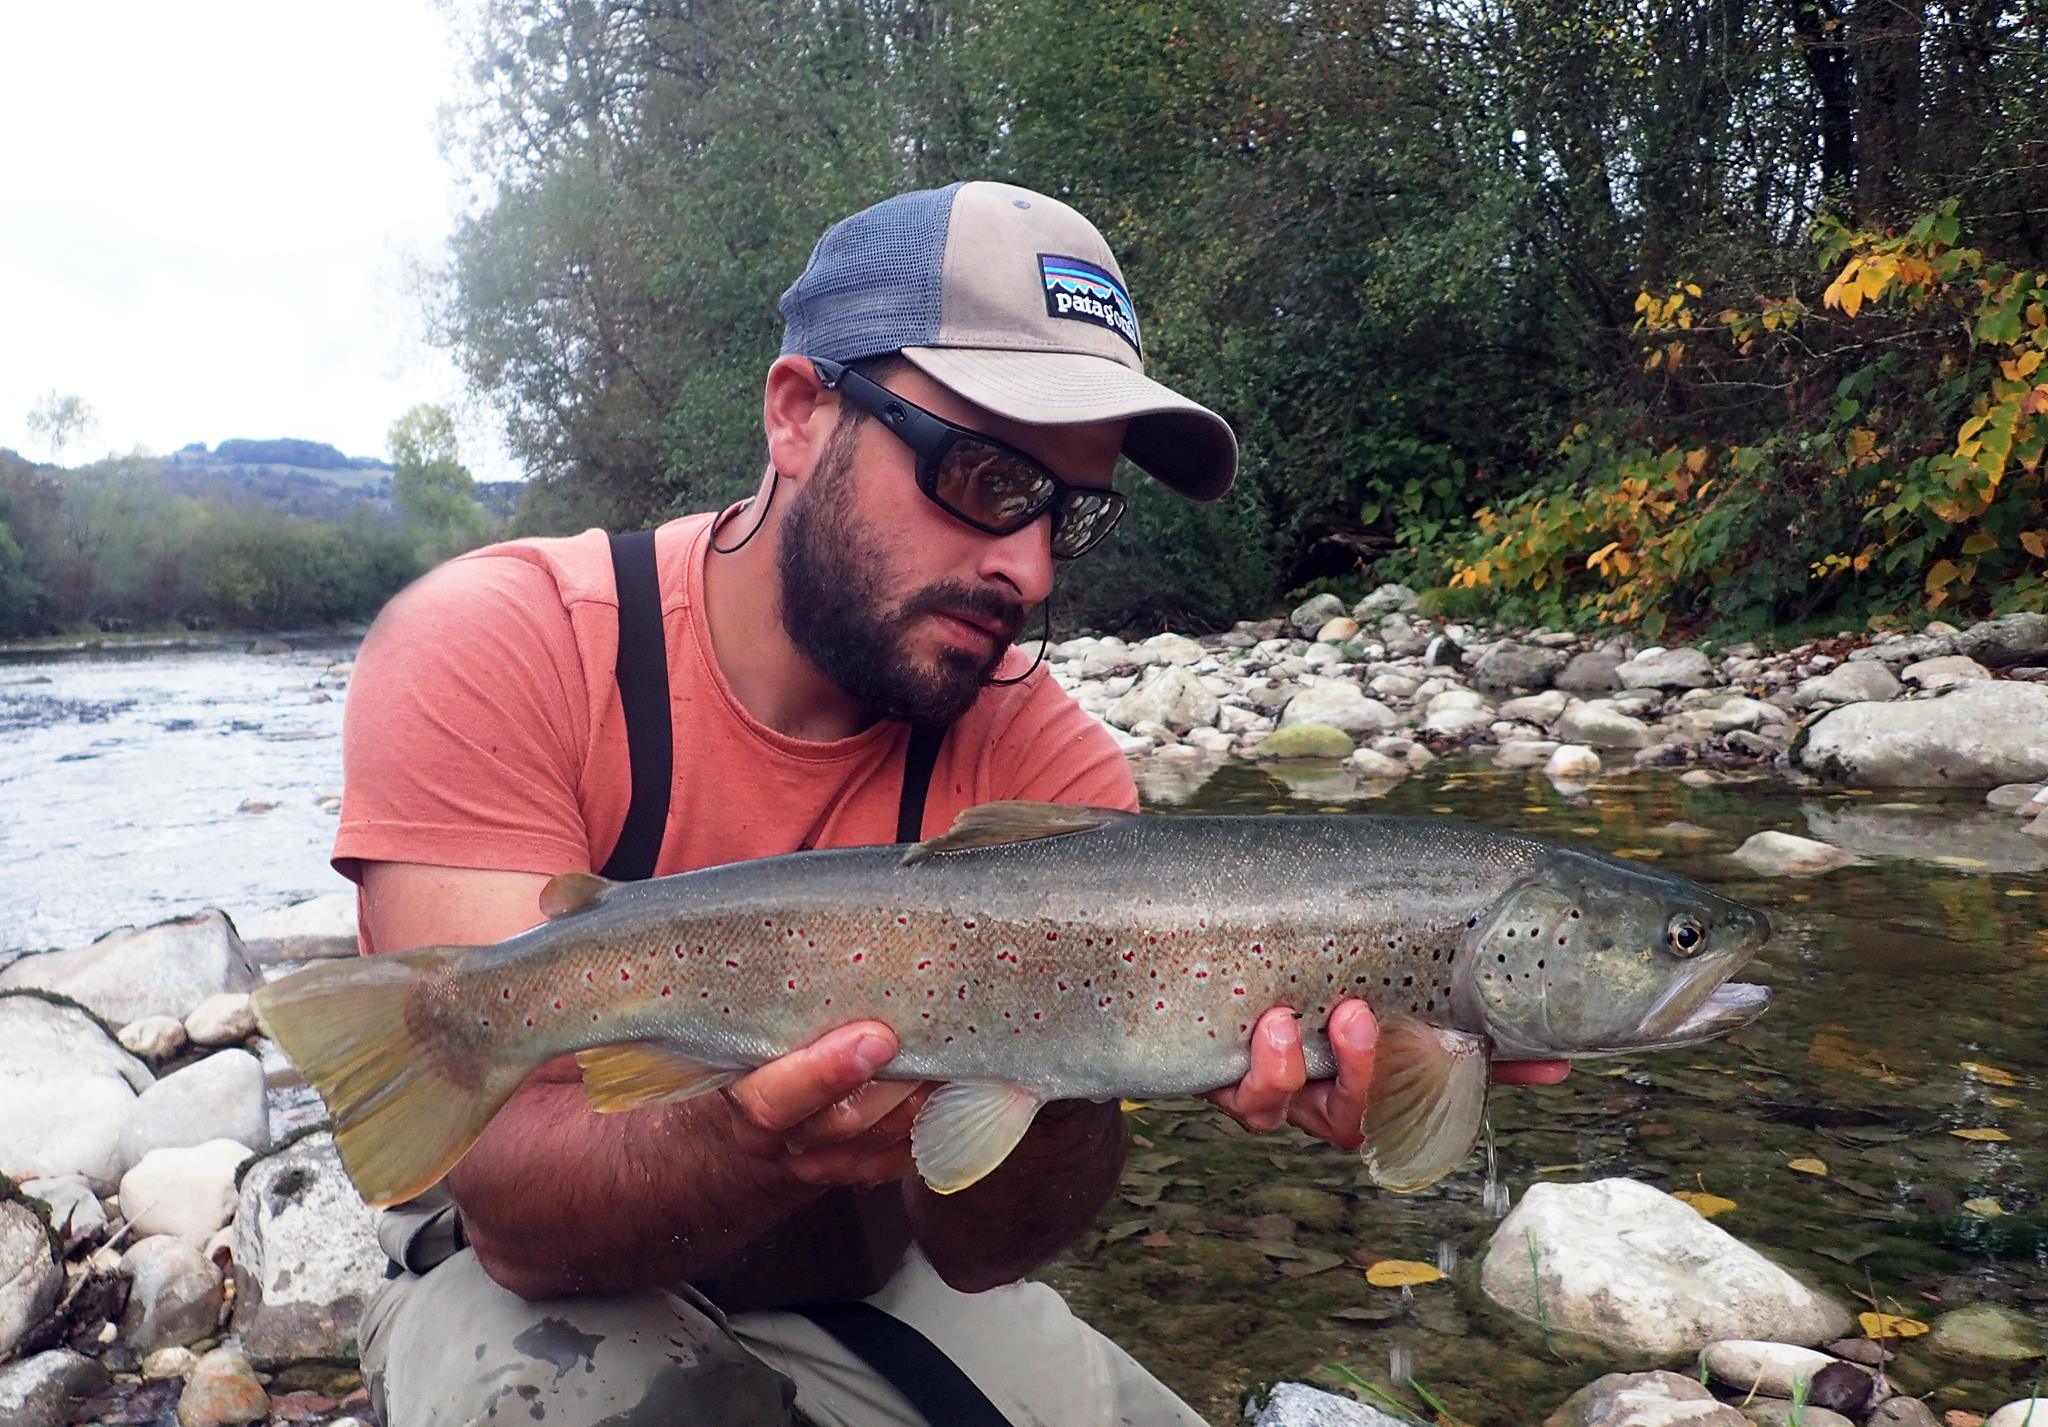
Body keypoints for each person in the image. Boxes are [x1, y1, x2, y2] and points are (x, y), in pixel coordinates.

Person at [334, 180, 1567, 1427]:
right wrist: (756, 1136)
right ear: (801, 414)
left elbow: (983, 1247)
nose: (1027, 568)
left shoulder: (1050, 761)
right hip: (532, 1279)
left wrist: (1100, 1059)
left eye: (1067, 511)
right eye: (984, 475)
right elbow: (517, 1214)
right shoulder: (502, 644)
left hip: (865, 1270)